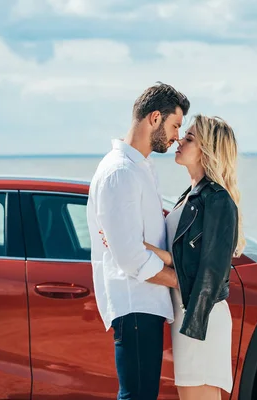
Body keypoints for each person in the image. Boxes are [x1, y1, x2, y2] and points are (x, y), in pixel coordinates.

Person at [87, 82, 190, 400]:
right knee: (137, 396)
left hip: (145, 303)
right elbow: (130, 256)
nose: (176, 137)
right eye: (175, 125)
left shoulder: (139, 168)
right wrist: (185, 282)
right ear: (155, 118)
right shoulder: (121, 173)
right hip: (135, 304)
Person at [144, 114, 245, 400]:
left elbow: (212, 270)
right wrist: (142, 248)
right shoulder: (190, 196)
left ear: (208, 150)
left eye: (189, 138)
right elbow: (186, 260)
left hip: (200, 315)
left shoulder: (217, 199)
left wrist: (194, 326)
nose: (178, 140)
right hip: (190, 313)